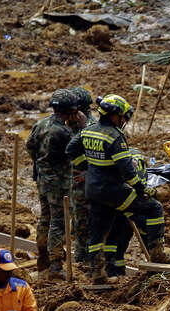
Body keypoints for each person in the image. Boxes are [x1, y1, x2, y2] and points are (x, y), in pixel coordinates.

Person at [66, 94, 144, 283]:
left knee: (102, 231)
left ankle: (104, 270)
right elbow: (124, 169)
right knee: (149, 211)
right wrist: (140, 187)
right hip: (109, 190)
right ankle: (156, 254)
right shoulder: (110, 133)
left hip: (95, 189)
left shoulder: (90, 128)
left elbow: (73, 151)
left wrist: (88, 170)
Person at [103, 148, 170, 276]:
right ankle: (155, 255)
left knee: (117, 235)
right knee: (142, 227)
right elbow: (138, 186)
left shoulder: (118, 160)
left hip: (112, 199)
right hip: (128, 200)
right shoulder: (135, 162)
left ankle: (114, 269)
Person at [25, 89, 79, 279]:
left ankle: (43, 260)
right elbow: (77, 151)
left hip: (42, 180)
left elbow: (29, 146)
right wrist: (81, 127)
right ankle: (56, 265)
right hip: (59, 183)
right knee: (59, 222)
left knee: (45, 218)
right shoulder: (64, 131)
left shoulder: (40, 124)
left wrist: (41, 163)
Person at [69, 86, 94, 265]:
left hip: (87, 183)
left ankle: (85, 259)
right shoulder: (69, 124)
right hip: (72, 182)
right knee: (77, 222)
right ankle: (81, 256)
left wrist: (88, 173)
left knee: (84, 223)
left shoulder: (91, 127)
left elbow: (101, 156)